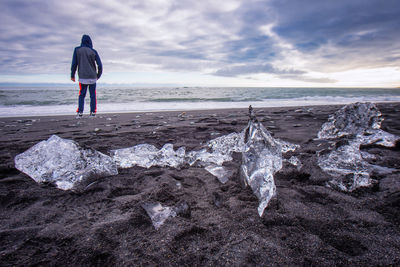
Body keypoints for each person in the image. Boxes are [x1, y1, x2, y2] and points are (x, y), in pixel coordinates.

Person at [71, 34, 102, 118]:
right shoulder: (93, 51)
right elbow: (100, 65)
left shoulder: (77, 50)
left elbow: (74, 63)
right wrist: (98, 75)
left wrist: (72, 74)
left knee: (82, 94)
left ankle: (80, 112)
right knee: (92, 95)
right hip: (92, 76)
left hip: (82, 77)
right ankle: (93, 113)